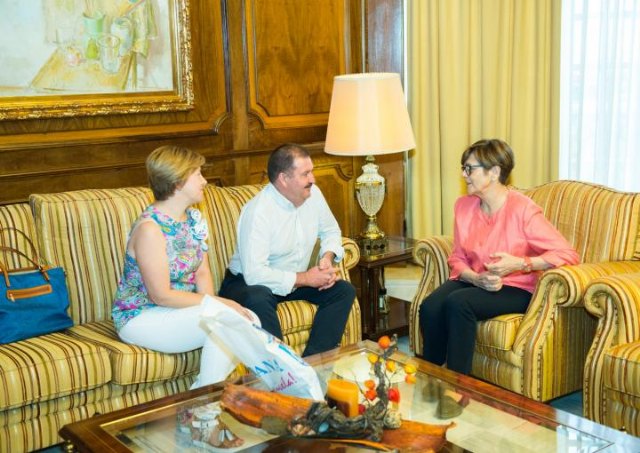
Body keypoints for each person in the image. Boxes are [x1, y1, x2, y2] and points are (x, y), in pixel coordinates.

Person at [419, 138, 580, 376]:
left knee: (458, 303)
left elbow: (568, 254)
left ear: (494, 172)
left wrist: (522, 263)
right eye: (463, 168)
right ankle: (432, 379)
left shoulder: (523, 209)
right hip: (476, 280)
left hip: (516, 287)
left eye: (469, 168)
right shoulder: (463, 206)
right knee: (430, 306)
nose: (464, 175)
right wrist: (475, 278)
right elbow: (457, 257)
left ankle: (458, 386)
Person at [112, 145, 256, 389]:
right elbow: (161, 295)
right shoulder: (150, 230)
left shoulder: (192, 219)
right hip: (141, 316)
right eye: (198, 174)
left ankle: (202, 398)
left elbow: (202, 271)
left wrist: (216, 307)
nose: (205, 181)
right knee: (230, 320)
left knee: (250, 320)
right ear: (178, 182)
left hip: (179, 310)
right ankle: (205, 402)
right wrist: (219, 305)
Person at [219, 143, 356, 357]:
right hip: (247, 284)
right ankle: (283, 370)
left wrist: (326, 259)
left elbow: (330, 230)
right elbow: (255, 274)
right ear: (284, 179)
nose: (313, 179)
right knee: (259, 297)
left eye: (311, 172)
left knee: (343, 291)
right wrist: (307, 278)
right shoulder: (258, 212)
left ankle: (315, 364)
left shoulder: (314, 194)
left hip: (293, 280)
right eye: (305, 174)